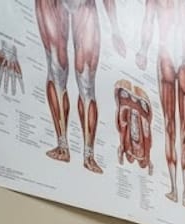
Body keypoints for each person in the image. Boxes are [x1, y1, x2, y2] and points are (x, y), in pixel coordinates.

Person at [35, 0, 126, 173]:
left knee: (86, 82)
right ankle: (63, 146)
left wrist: (115, 29)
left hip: (85, 5)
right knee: (56, 68)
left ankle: (88, 156)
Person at [135, 0, 185, 207]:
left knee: (171, 129)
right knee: (183, 135)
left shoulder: (158, 4)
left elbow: (148, 24)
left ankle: (176, 191)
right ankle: (183, 195)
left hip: (167, 60)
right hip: (183, 65)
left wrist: (142, 50)